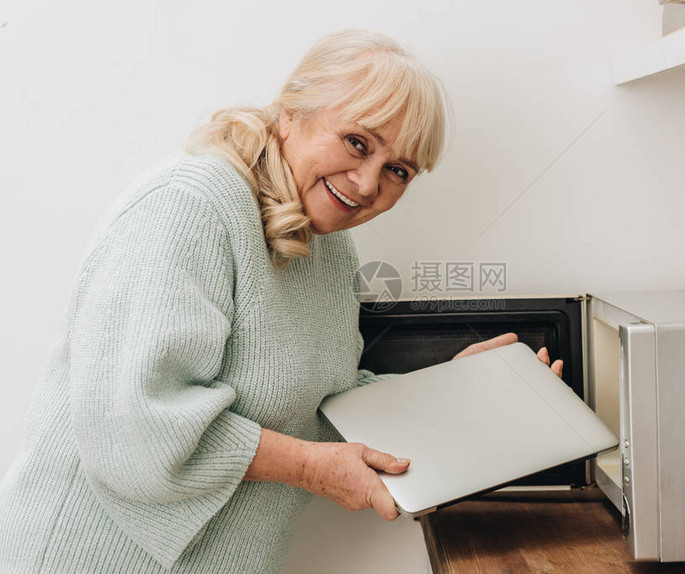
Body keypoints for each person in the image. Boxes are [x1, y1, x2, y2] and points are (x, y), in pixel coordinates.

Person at [0, 29, 563, 573]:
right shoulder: (190, 205)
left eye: (397, 171)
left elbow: (322, 400)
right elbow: (139, 422)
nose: (368, 185)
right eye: (357, 142)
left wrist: (450, 394)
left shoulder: (331, 247)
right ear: (290, 113)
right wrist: (311, 469)